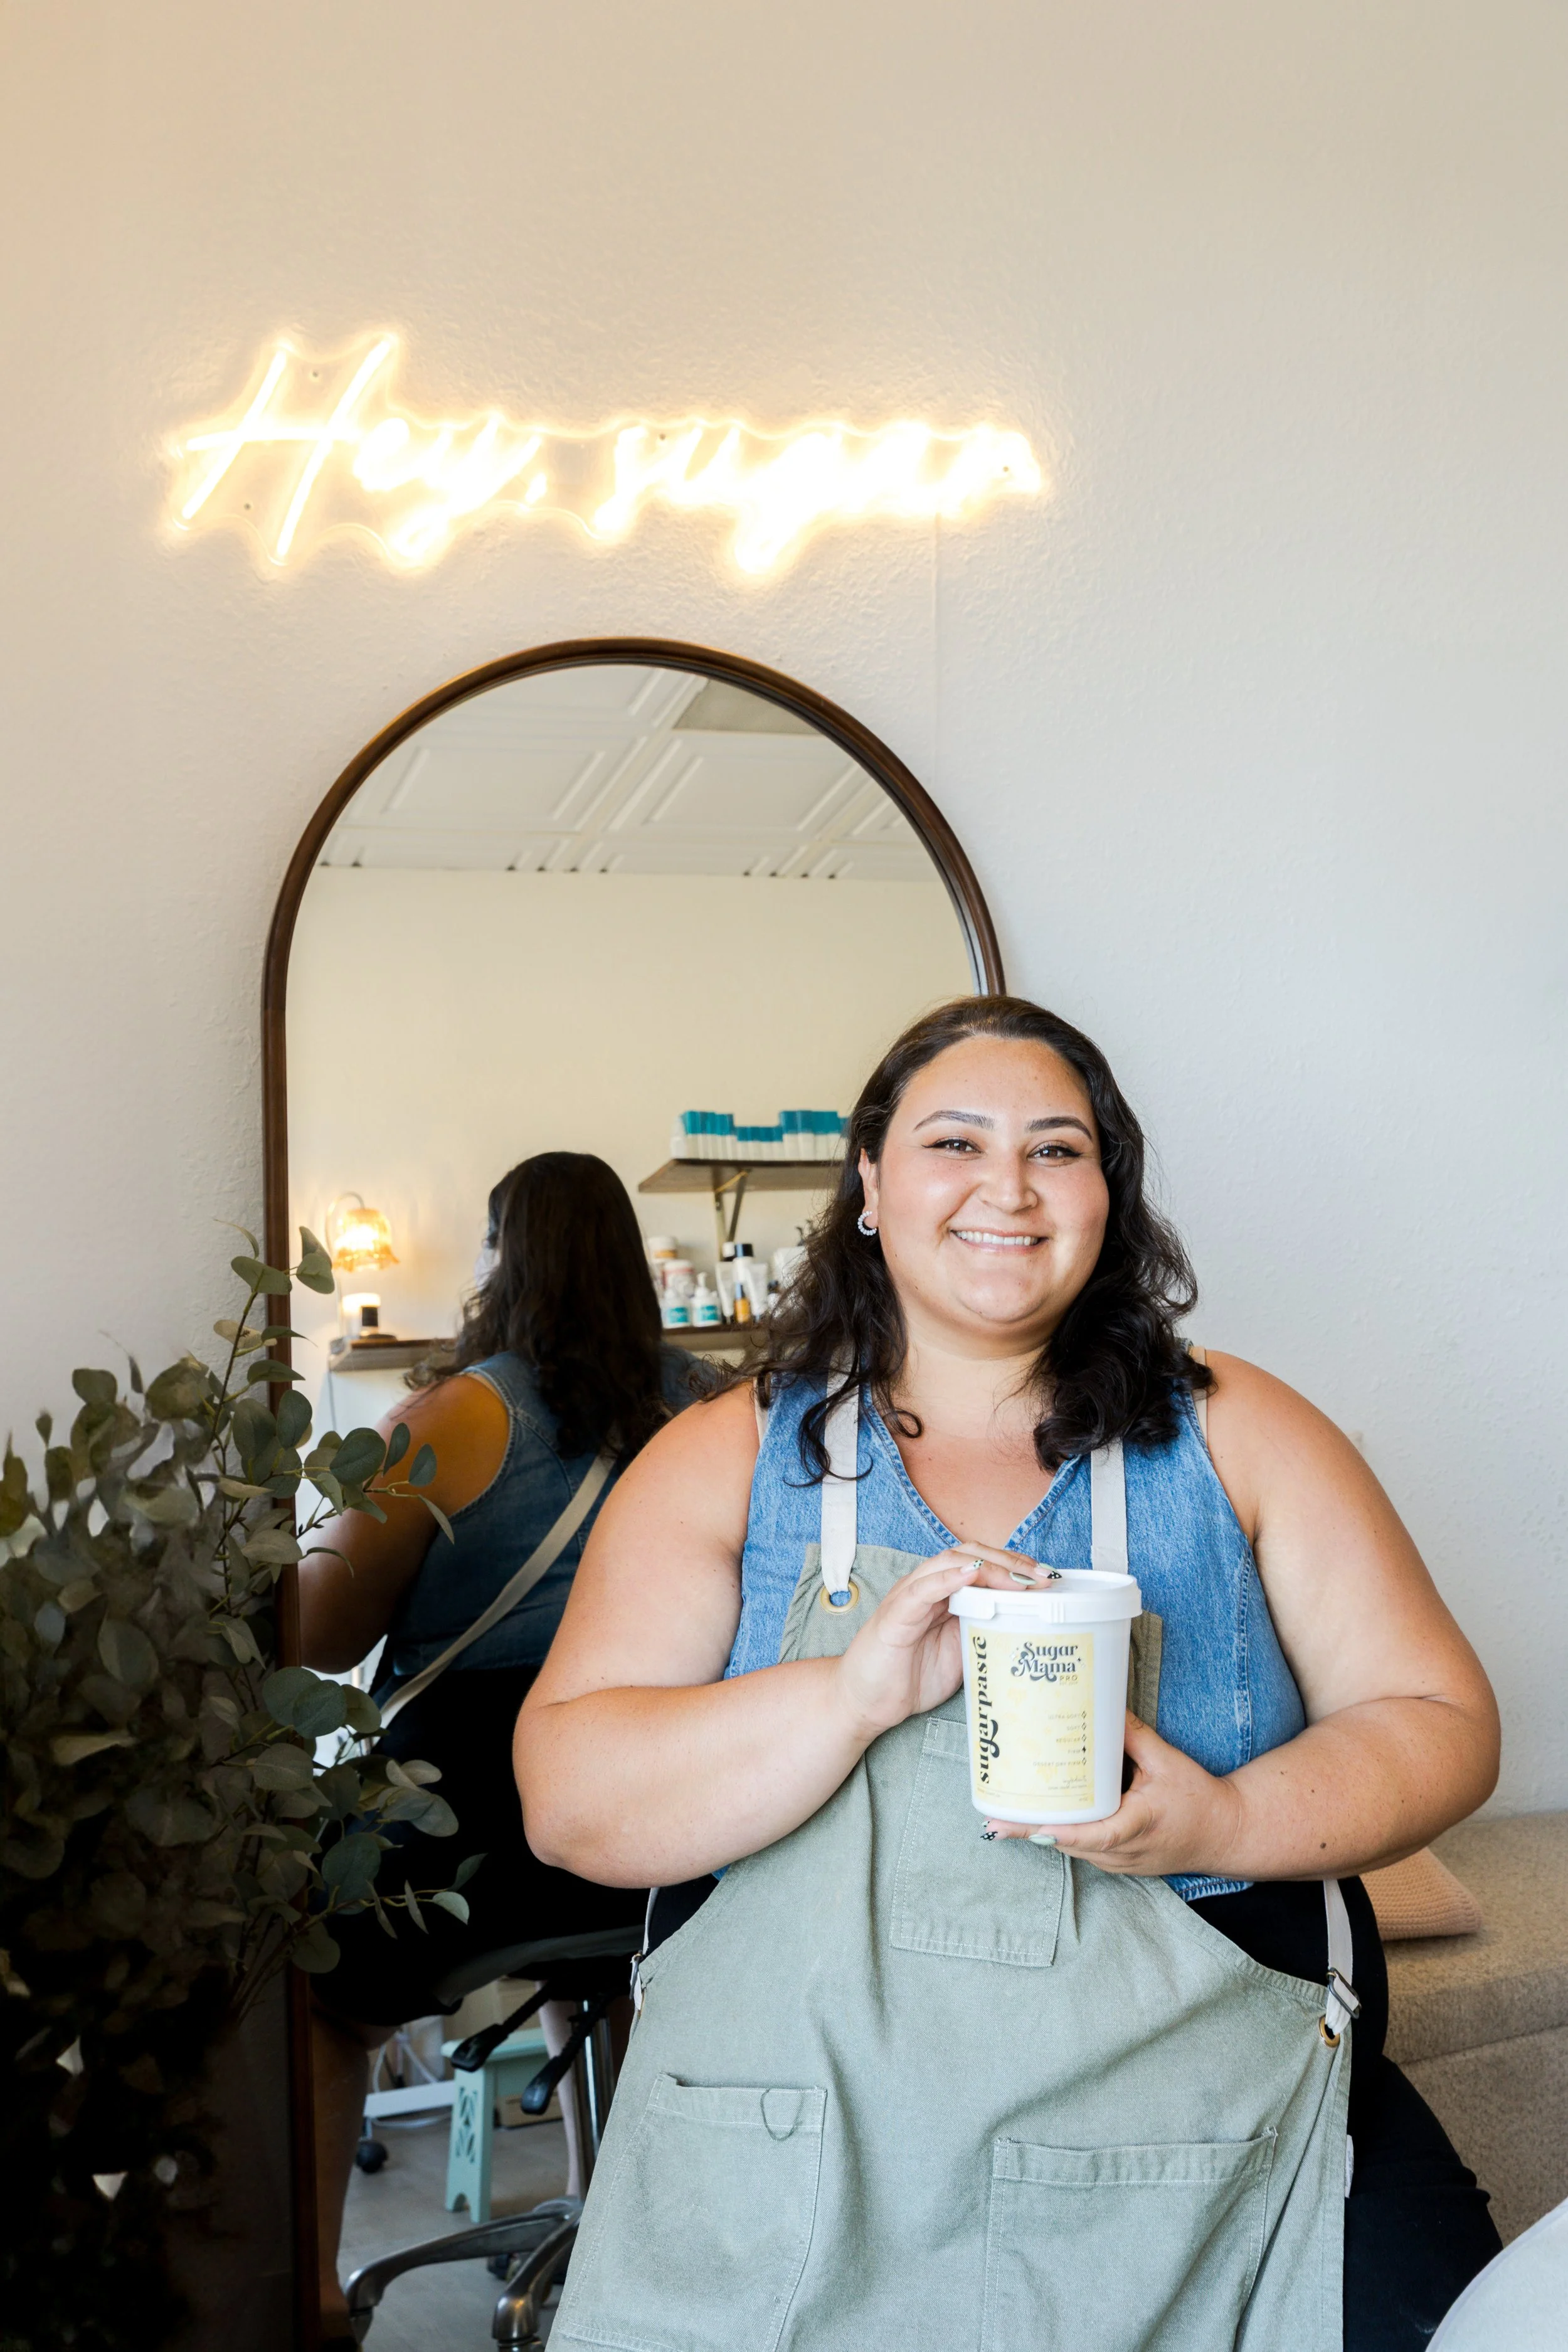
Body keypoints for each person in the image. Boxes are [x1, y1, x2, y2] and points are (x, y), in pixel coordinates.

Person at [516, 997, 1504, 2352]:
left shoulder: (1246, 1434)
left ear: (1108, 1192)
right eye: (953, 1143)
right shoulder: (725, 1459)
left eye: (1056, 1149)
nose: (1007, 1188)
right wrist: (849, 1696)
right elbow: (569, 1798)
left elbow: (1438, 1720)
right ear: (868, 1182)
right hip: (804, 2155)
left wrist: (1222, 1823)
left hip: (1201, 2128)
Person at [299, 1152, 714, 2340]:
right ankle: (615, 2214)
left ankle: (320, 2290)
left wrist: (359, 1480)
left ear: (502, 1258)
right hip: (646, 1808)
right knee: (614, 1951)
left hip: (467, 1818)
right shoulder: (709, 1409)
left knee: (323, 1989)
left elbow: (322, 1633)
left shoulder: (458, 1413)